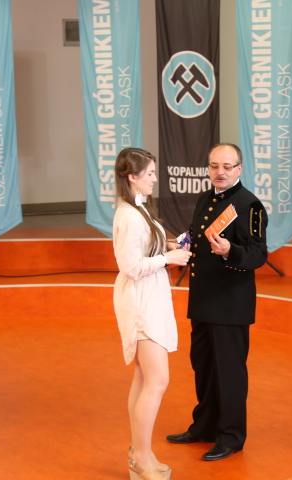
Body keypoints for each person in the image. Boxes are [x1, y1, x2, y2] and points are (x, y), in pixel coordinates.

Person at [166, 143, 268, 461]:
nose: (220, 172)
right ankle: (205, 427)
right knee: (204, 367)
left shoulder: (250, 205)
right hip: (203, 299)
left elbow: (258, 254)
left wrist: (230, 251)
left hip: (230, 304)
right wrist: (181, 245)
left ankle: (231, 436)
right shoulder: (204, 199)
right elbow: (197, 238)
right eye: (214, 166)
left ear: (239, 169)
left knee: (229, 373)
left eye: (227, 166)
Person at [113, 148, 191, 480]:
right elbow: (130, 266)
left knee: (145, 378)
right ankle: (141, 457)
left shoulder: (138, 207)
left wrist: (167, 247)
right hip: (141, 302)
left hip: (148, 297)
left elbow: (143, 250)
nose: (155, 179)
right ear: (132, 177)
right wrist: (168, 259)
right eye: (149, 174)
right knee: (157, 380)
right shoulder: (130, 215)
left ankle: (139, 452)